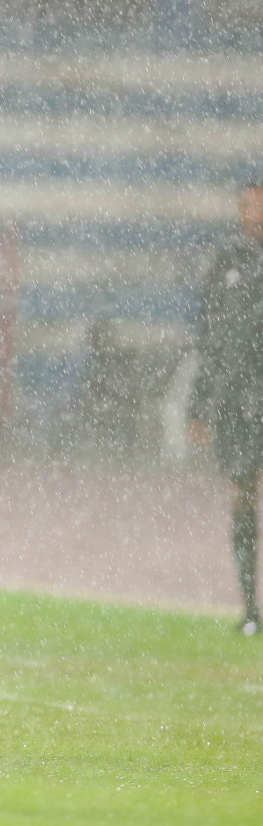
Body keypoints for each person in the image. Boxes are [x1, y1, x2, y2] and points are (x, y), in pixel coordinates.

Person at [188, 181, 263, 636]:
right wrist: (200, 402)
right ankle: (251, 609)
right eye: (248, 205)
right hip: (237, 399)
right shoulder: (227, 262)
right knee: (241, 495)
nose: (253, 213)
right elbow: (210, 337)